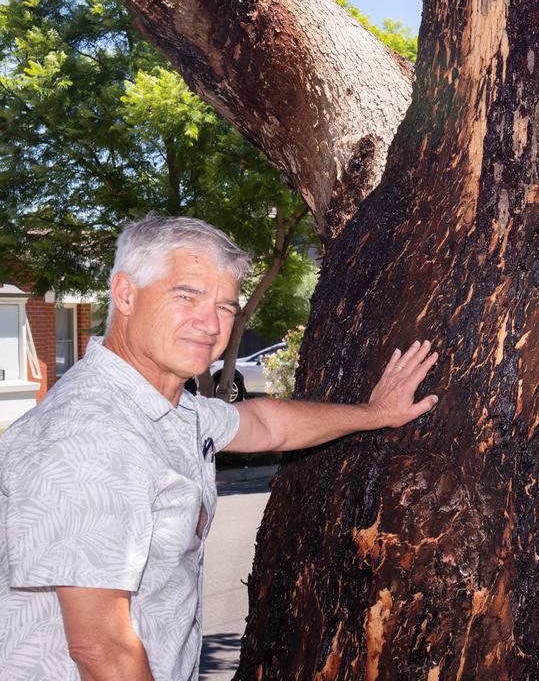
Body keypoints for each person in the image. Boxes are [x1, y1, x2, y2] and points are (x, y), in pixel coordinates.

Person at [0, 215, 440, 680]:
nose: (210, 323)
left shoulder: (171, 409)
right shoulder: (89, 434)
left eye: (226, 306)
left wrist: (374, 414)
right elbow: (99, 647)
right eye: (186, 295)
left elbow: (266, 424)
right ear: (125, 294)